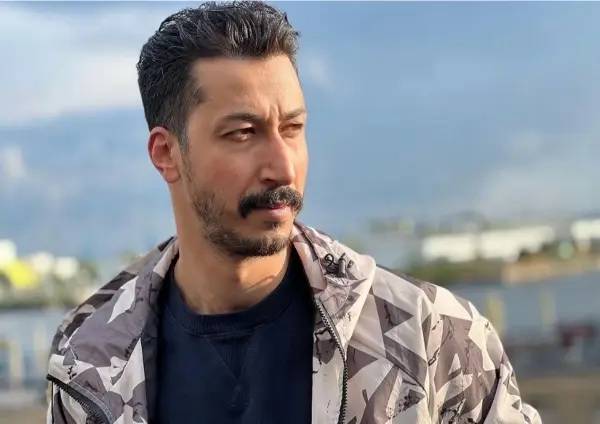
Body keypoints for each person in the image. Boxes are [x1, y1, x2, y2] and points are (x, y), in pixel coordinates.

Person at [46, 2, 541, 423]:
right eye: (243, 133)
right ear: (166, 153)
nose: (282, 167)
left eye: (292, 128)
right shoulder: (88, 362)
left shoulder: (429, 336)